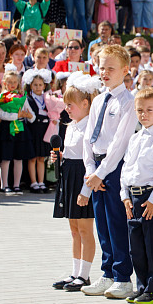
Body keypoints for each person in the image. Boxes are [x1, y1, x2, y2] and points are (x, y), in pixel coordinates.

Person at [81, 45, 137, 299]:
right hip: (97, 169)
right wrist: (90, 168)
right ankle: (107, 273)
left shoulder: (128, 101)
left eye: (110, 68)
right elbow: (88, 136)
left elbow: (120, 143)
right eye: (101, 67)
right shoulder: (98, 100)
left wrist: (102, 172)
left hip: (114, 168)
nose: (104, 72)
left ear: (125, 70)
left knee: (116, 222)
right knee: (101, 223)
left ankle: (123, 276)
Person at [51, 72, 100, 292]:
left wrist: (85, 189)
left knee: (85, 228)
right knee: (73, 229)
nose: (67, 109)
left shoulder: (91, 126)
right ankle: (75, 272)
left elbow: (89, 158)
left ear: (85, 104)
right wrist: (59, 157)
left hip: (83, 176)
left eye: (71, 104)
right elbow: (71, 153)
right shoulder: (71, 126)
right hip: (68, 175)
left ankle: (85, 275)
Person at [119, 88, 153, 304]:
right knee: (136, 246)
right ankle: (142, 286)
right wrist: (125, 195)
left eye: (149, 110)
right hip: (133, 197)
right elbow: (126, 168)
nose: (144, 114)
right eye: (140, 110)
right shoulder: (135, 138)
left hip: (150, 198)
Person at [0, 67, 34, 195]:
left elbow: (31, 114)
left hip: (20, 129)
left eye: (14, 82)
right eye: (9, 82)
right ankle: (4, 185)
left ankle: (16, 185)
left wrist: (29, 116)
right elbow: (1, 114)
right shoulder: (2, 96)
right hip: (7, 129)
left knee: (19, 158)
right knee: (6, 158)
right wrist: (16, 116)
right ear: (5, 83)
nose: (12, 85)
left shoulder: (22, 96)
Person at [22, 67, 52, 193]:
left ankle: (41, 181)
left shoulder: (48, 98)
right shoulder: (28, 99)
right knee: (32, 157)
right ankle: (33, 182)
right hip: (33, 129)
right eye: (35, 85)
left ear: (44, 85)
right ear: (30, 86)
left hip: (44, 129)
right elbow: (31, 117)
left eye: (40, 85)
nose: (38, 87)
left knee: (41, 157)